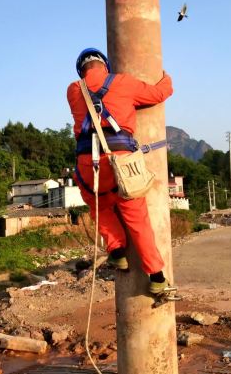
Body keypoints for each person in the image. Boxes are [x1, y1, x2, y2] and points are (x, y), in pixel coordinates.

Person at [67, 48, 173, 294]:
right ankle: (157, 277)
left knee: (98, 204)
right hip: (122, 161)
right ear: (105, 65)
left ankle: (116, 249)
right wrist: (166, 77)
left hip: (88, 163)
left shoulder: (73, 89)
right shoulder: (123, 82)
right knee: (137, 218)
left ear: (81, 69)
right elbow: (159, 93)